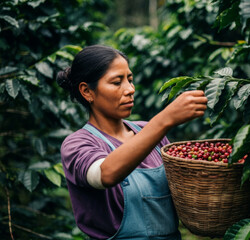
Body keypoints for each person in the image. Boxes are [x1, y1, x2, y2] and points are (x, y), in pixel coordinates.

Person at [56, 44, 208, 240]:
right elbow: (105, 174)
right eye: (116, 82)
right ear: (87, 91)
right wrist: (165, 119)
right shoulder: (77, 144)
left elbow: (182, 191)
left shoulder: (150, 132)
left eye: (130, 79)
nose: (130, 89)